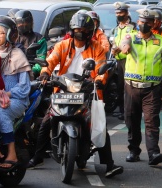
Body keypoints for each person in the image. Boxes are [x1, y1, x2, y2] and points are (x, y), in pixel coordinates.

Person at [27, 12, 124, 178]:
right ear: (71, 30)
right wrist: (45, 74)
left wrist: (100, 79)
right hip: (64, 89)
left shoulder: (97, 48)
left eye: (84, 29)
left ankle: (109, 164)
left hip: (88, 91)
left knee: (99, 127)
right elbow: (50, 61)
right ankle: (37, 157)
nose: (80, 32)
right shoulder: (62, 45)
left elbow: (101, 68)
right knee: (46, 121)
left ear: (90, 31)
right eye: (77, 29)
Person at [120, 9, 162, 165]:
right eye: (141, 22)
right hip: (131, 87)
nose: (144, 25)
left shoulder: (160, 41)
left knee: (151, 121)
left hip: (152, 88)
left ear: (153, 24)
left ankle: (154, 153)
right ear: (138, 22)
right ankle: (133, 151)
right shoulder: (130, 37)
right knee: (132, 120)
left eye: (147, 23)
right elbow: (123, 45)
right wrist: (123, 48)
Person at [0, 15, 31, 170]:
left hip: (16, 100)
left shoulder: (17, 54)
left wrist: (6, 94)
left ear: (8, 34)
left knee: (0, 114)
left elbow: (24, 87)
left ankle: (11, 152)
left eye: (1, 33)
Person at [110, 2, 136, 120]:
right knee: (120, 85)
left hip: (128, 60)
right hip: (118, 60)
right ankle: (121, 110)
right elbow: (113, 42)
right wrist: (114, 48)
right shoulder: (115, 29)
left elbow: (129, 43)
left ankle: (129, 111)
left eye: (120, 12)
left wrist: (118, 49)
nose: (118, 14)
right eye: (117, 13)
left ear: (126, 13)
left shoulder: (131, 28)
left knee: (128, 86)